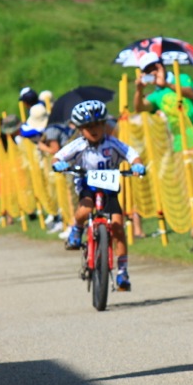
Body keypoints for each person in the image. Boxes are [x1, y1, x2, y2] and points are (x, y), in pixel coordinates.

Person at [51, 100, 146, 291]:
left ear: (104, 124)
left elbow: (131, 154)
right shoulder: (78, 145)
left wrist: (137, 164)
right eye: (87, 127)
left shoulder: (113, 143)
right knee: (84, 210)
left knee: (118, 226)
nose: (93, 130)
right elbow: (58, 156)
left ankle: (122, 272)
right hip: (87, 185)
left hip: (110, 188)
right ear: (80, 129)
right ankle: (76, 230)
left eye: (97, 125)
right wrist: (58, 163)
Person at [133, 52, 193, 152]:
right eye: (148, 72)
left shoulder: (181, 78)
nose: (153, 73)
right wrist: (139, 90)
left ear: (162, 66)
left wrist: (167, 84)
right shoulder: (155, 95)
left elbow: (191, 93)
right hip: (181, 146)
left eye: (155, 68)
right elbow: (139, 108)